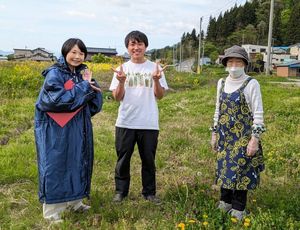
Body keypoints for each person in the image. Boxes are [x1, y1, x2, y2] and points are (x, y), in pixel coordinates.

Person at [34, 38, 102, 222]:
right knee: (56, 165)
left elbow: (92, 108)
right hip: (55, 131)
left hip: (78, 128)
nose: (77, 56)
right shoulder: (55, 74)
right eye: (73, 52)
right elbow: (55, 101)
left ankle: (75, 202)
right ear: (65, 53)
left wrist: (94, 89)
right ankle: (52, 212)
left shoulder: (81, 75)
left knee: (78, 160)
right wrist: (84, 87)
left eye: (81, 53)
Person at [109, 30, 168, 204]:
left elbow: (160, 95)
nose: (136, 47)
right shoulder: (122, 69)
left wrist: (156, 80)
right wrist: (120, 82)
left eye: (139, 44)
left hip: (149, 122)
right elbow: (117, 97)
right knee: (123, 159)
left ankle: (149, 192)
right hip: (125, 121)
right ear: (127, 48)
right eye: (132, 44)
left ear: (145, 46)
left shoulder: (155, 68)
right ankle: (121, 191)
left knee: (148, 160)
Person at [211, 45, 265, 221]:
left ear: (244, 64)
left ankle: (238, 209)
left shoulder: (251, 83)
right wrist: (214, 133)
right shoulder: (221, 83)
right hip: (225, 136)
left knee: (242, 172)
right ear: (226, 63)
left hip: (243, 137)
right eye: (231, 61)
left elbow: (258, 114)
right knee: (225, 170)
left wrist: (254, 140)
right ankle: (225, 202)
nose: (234, 65)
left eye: (238, 62)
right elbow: (217, 110)